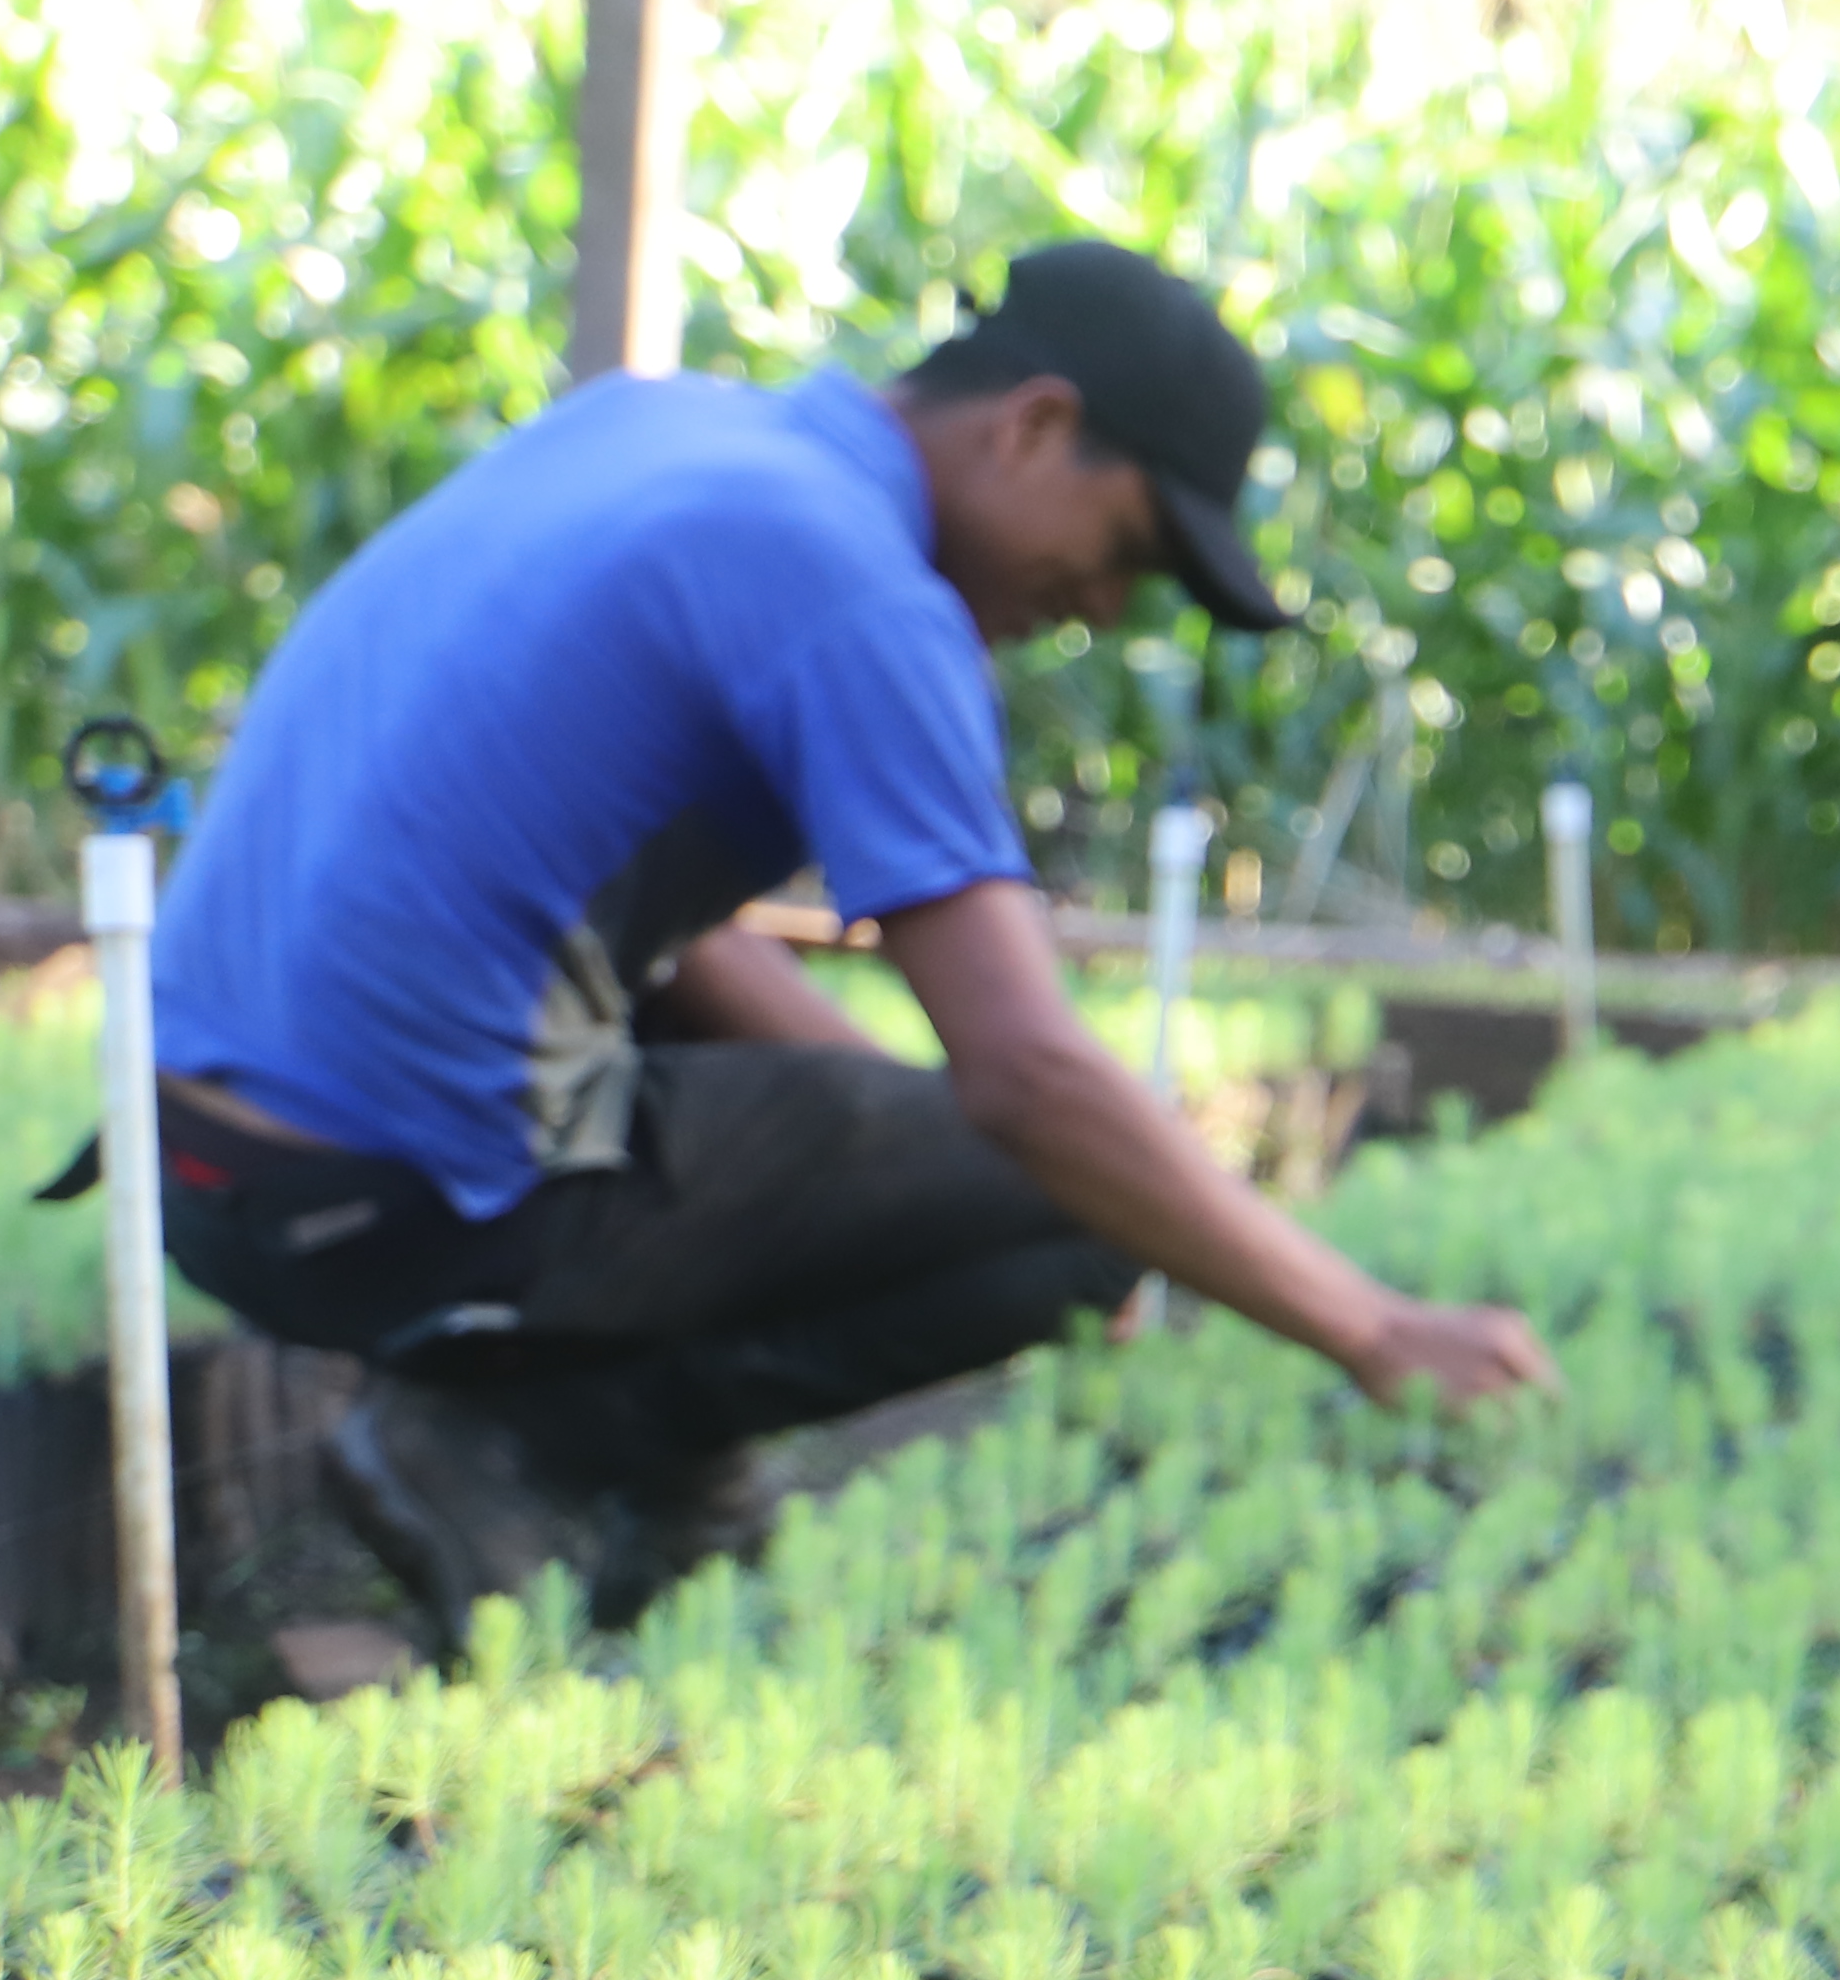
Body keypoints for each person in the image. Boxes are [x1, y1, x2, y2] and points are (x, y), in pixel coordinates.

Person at [139, 239, 1554, 1629]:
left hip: (205, 1163)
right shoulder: (855, 593)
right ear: (1036, 426)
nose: (1106, 608)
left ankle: (636, 1475)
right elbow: (1029, 1079)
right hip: (390, 1202)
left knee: (1032, 1172)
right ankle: (520, 1448)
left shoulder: (660, 432)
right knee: (1075, 1200)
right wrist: (1371, 1329)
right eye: (1125, 550)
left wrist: (916, 1151)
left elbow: (658, 938)